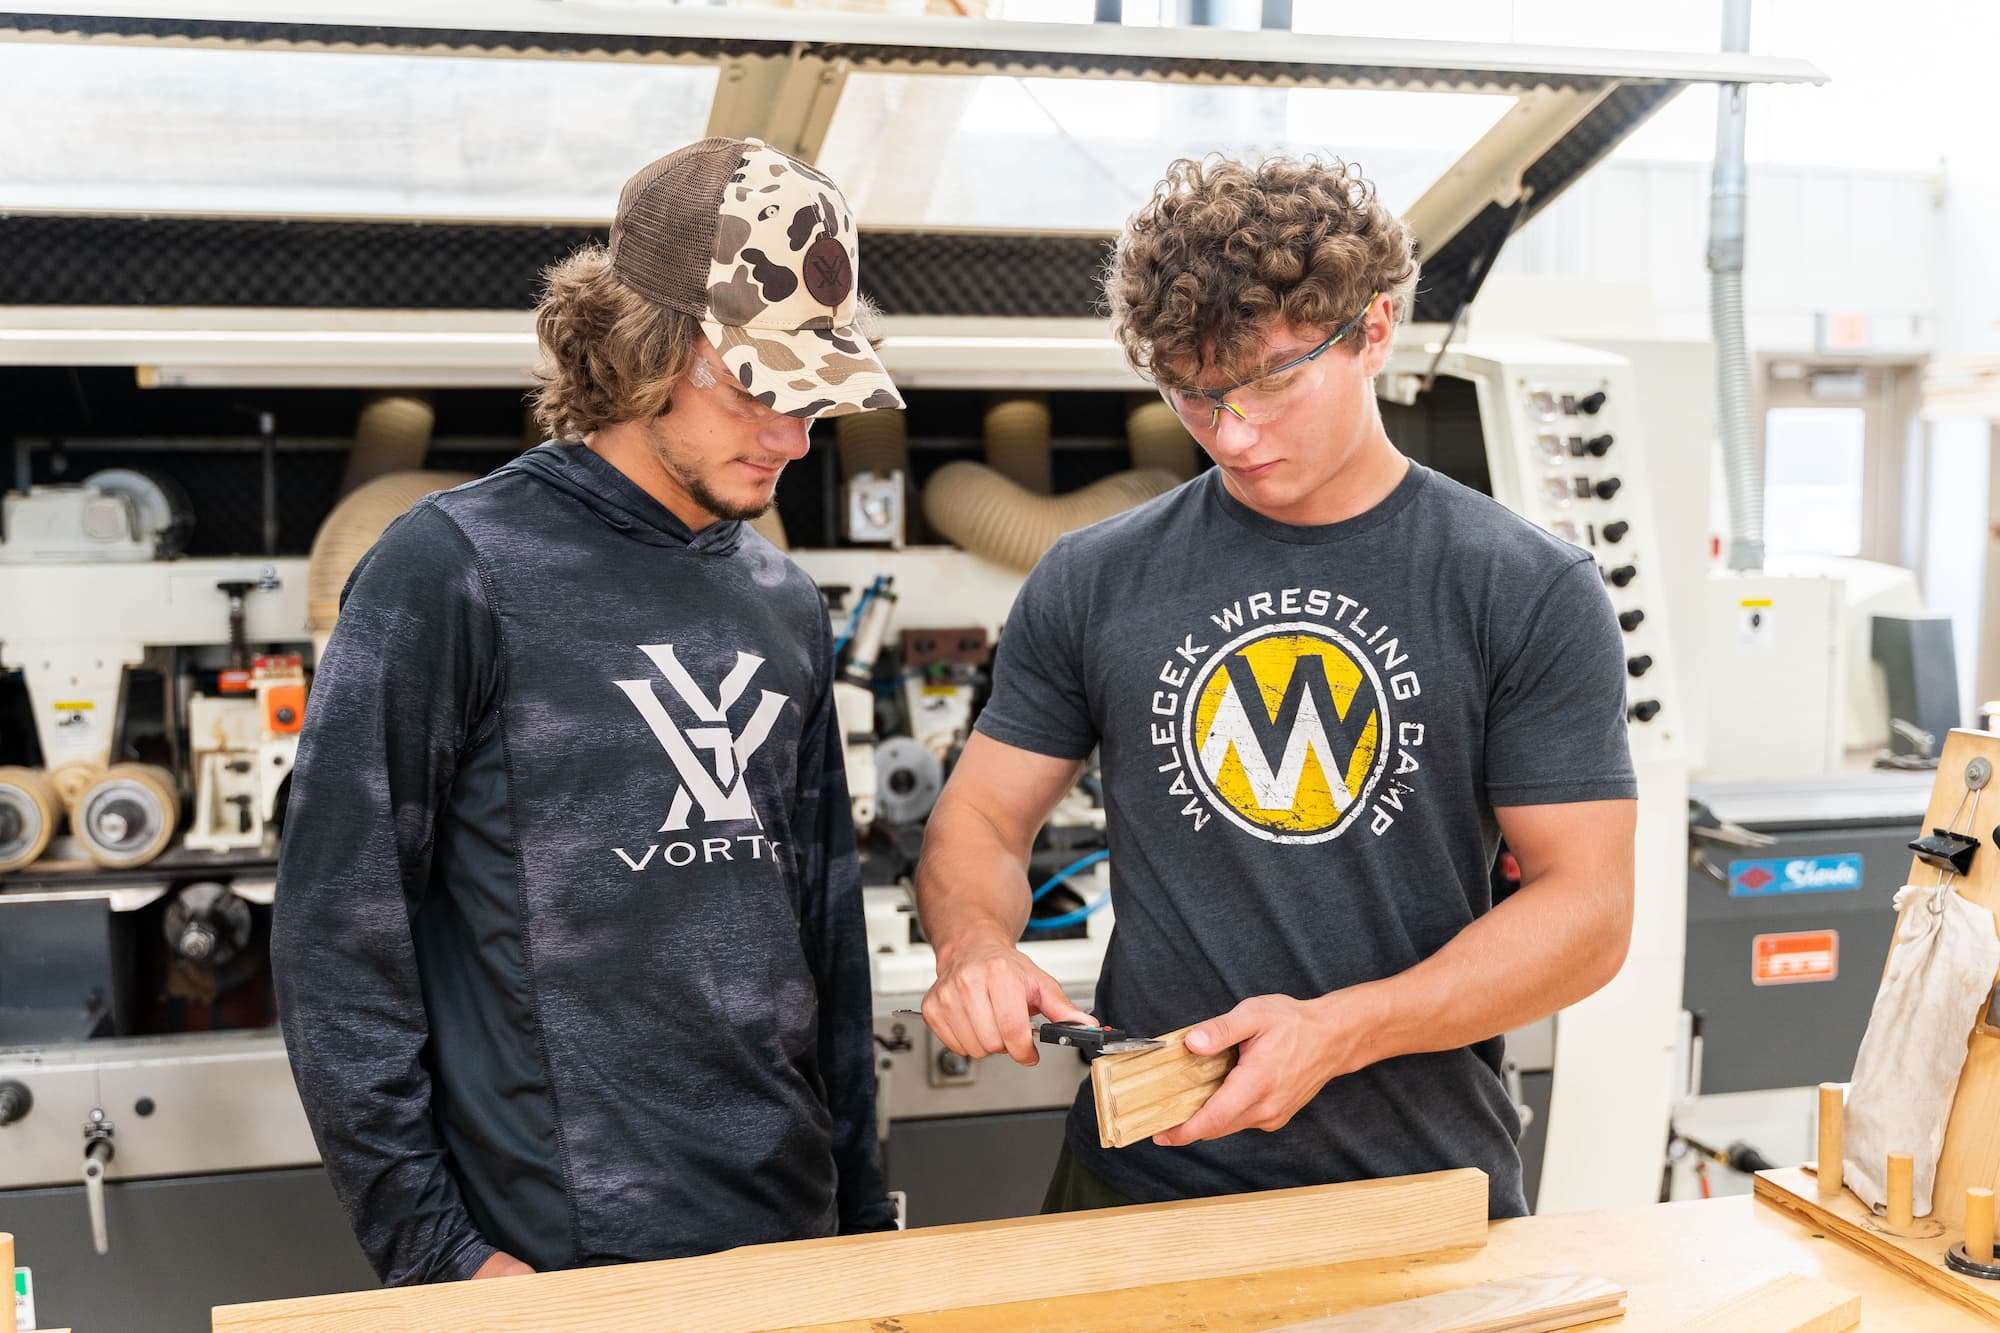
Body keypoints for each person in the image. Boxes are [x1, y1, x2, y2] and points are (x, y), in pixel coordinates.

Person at [913, 153, 1637, 1219]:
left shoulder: (1522, 588)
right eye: (1192, 396)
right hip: (1142, 1184)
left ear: (1374, 329)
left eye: (1272, 381)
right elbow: (976, 819)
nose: (1233, 434)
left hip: (1415, 1188)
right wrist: (974, 945)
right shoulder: (1092, 577)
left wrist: (1341, 1028)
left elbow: (1587, 910)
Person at [272, 136, 904, 1285]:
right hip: (553, 1254)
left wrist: (858, 1215)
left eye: (813, 393)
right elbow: (336, 939)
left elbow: (826, 943)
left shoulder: (780, 600)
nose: (791, 434)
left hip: (785, 1230)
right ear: (644, 348)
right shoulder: (453, 570)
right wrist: (438, 1255)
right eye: (758, 386)